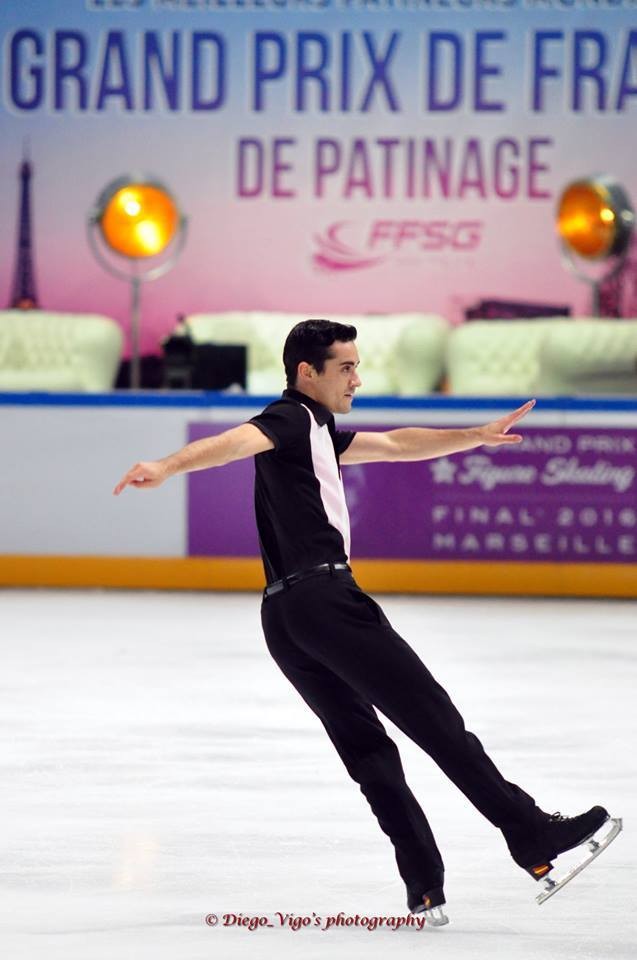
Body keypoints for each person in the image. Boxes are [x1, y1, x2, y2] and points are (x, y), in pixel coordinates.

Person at [113, 319, 610, 924]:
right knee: (432, 717)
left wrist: (476, 434)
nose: (357, 377)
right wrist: (167, 465)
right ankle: (528, 832)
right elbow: (236, 441)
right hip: (326, 600)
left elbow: (399, 443)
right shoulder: (290, 419)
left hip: (284, 617)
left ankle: (424, 883)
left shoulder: (315, 432)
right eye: (345, 367)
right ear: (307, 373)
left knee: (367, 749)